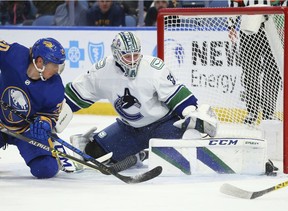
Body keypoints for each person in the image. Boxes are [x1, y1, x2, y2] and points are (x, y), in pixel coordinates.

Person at [64, 31, 217, 164]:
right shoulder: (102, 71)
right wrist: (52, 112)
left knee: (188, 143)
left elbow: (176, 94)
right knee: (93, 152)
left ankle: (144, 153)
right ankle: (138, 155)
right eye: (126, 56)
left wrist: (191, 113)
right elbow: (75, 95)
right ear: (116, 54)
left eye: (135, 55)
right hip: (129, 130)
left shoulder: (153, 68)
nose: (132, 60)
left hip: (163, 125)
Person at [0, 37, 66, 178]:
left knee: (45, 169)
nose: (57, 70)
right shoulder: (14, 55)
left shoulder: (55, 87)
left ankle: (53, 151)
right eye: (54, 65)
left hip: (26, 130)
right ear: (40, 62)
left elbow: (51, 115)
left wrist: (44, 123)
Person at [228, 0, 284, 124]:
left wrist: (282, 23)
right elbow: (236, 3)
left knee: (273, 71)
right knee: (250, 71)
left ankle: (268, 112)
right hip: (249, 25)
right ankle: (252, 111)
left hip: (273, 26)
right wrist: (231, 25)